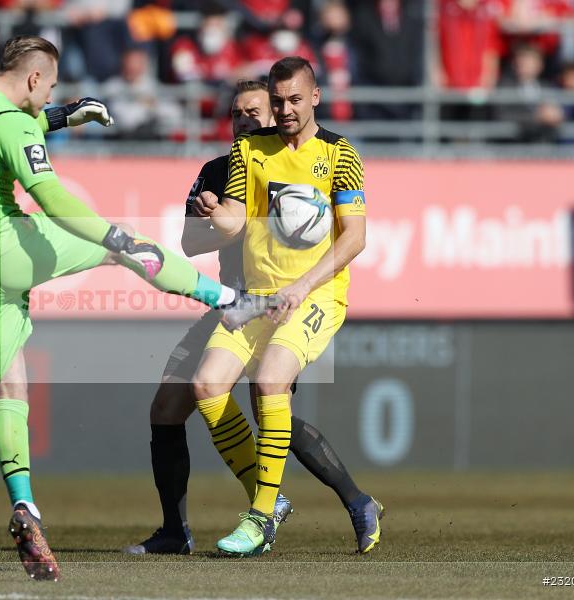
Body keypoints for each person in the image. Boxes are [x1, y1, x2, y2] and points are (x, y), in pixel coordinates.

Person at [0, 35, 274, 581]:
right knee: (126, 246)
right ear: (35, 79)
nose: (47, 98)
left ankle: (24, 504)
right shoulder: (12, 123)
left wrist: (59, 117)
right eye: (51, 89)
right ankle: (229, 299)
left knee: (9, 392)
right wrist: (109, 234)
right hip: (5, 249)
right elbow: (51, 194)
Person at [123, 80, 382, 557]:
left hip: (282, 304)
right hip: (234, 303)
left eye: (255, 111)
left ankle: (351, 501)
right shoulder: (217, 171)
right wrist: (211, 219)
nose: (245, 120)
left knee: (269, 403)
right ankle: (175, 530)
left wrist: (236, 223)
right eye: (237, 112)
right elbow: (191, 245)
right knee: (169, 408)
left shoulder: (292, 162)